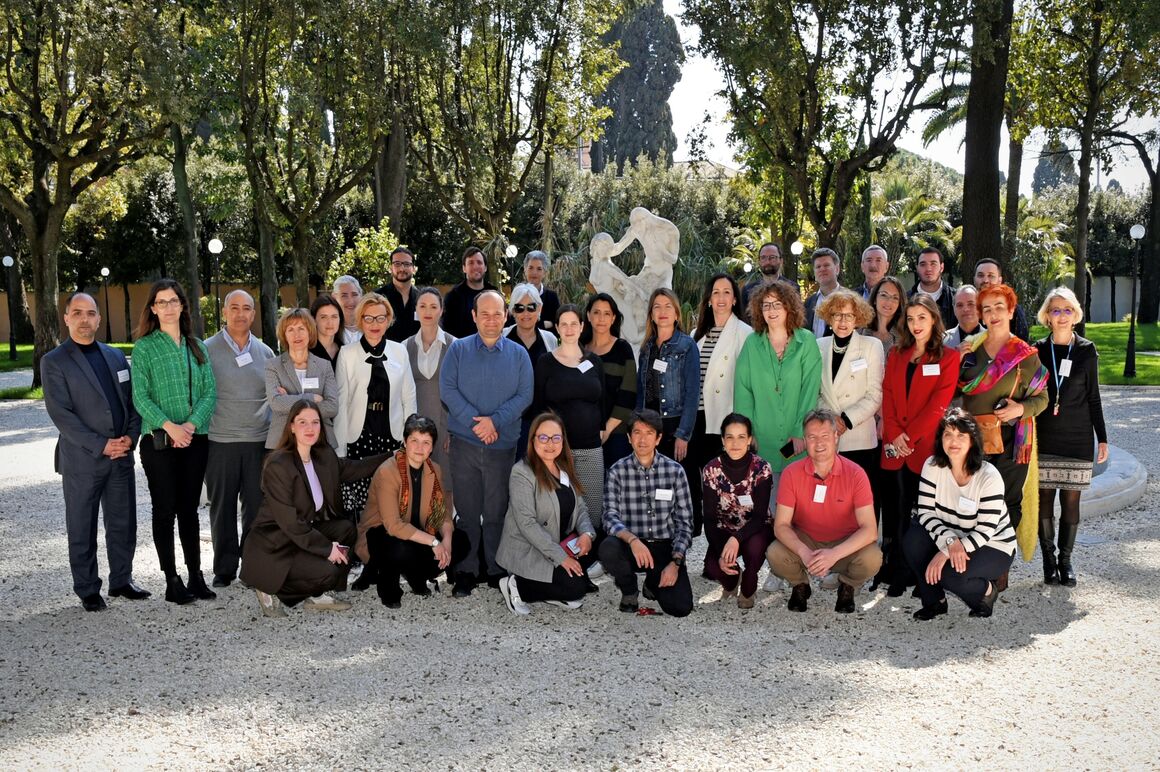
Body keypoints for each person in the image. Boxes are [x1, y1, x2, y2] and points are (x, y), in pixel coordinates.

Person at [42, 293, 146, 611]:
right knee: (82, 524)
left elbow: (132, 403)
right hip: (83, 460)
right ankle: (87, 588)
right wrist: (101, 444)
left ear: (99, 319)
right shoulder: (54, 361)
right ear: (67, 317)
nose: (85, 319)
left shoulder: (115, 356)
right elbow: (62, 415)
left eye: (91, 313)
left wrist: (129, 438)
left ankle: (121, 580)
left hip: (121, 456)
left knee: (123, 522)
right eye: (78, 313)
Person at [240, 400, 391, 617]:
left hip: (302, 534)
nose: (310, 428)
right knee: (329, 570)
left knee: (347, 529)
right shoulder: (278, 465)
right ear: (291, 426)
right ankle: (268, 585)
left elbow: (353, 469)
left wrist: (391, 456)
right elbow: (290, 524)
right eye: (302, 422)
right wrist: (328, 549)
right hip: (275, 543)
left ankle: (317, 594)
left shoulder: (322, 455)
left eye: (315, 422)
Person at [440, 289, 534, 596]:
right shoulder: (458, 350)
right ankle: (467, 569)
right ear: (474, 317)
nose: (491, 320)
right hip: (465, 443)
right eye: (485, 314)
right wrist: (477, 423)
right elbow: (448, 391)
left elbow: (525, 395)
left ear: (505, 316)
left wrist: (495, 421)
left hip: (502, 445)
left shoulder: (519, 354)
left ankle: (495, 568)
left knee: (495, 511)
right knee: (467, 511)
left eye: (497, 314)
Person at [131, 279, 217, 605]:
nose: (168, 307)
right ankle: (171, 579)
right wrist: (171, 427)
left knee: (189, 510)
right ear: (153, 308)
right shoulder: (144, 348)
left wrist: (191, 425)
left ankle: (195, 575)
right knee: (165, 510)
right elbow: (140, 397)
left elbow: (210, 392)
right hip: (160, 443)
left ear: (183, 305)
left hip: (195, 439)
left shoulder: (197, 346)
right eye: (161, 302)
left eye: (173, 301)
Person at [958, 283, 1048, 589]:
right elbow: (956, 391)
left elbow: (1044, 398)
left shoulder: (1025, 355)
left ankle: (1000, 563)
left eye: (999, 307)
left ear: (1011, 311)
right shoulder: (970, 351)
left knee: (1008, 501)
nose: (993, 314)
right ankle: (975, 556)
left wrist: (1019, 410)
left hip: (1012, 440)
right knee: (976, 500)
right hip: (974, 439)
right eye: (987, 309)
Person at [880, 294, 960, 596]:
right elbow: (887, 395)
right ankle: (897, 573)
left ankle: (922, 574)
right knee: (896, 514)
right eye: (911, 319)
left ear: (934, 320)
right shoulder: (896, 355)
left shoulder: (948, 358)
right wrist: (895, 435)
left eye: (921, 318)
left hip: (923, 449)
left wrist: (909, 438)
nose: (915, 325)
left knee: (924, 515)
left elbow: (938, 407)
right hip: (894, 448)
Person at [904, 408, 1016, 619]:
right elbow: (926, 513)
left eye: (961, 435)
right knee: (913, 541)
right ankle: (934, 601)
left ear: (972, 440)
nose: (953, 441)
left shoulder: (989, 477)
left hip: (993, 544)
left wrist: (946, 551)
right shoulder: (932, 466)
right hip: (951, 536)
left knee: (952, 575)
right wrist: (950, 542)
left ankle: (987, 593)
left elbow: (986, 531)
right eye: (948, 434)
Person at [766, 409, 882, 613]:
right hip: (806, 540)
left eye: (825, 436)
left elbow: (870, 530)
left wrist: (833, 554)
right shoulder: (791, 473)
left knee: (873, 558)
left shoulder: (856, 474)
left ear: (836, 437)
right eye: (812, 437)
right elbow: (781, 526)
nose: (818, 443)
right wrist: (804, 552)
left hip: (846, 542)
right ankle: (800, 585)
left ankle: (848, 585)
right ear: (805, 440)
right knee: (775, 553)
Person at [1033, 287, 1108, 587]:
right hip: (1045, 437)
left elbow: (1095, 398)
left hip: (1077, 438)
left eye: (1067, 310)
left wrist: (1102, 438)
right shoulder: (1037, 349)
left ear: (1075, 315)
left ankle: (1066, 561)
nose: (1061, 315)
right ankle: (1048, 561)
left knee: (1071, 503)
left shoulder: (1087, 351)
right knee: (1044, 502)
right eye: (1055, 310)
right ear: (1047, 317)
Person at [357, 414, 468, 608]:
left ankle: (417, 575)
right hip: (381, 535)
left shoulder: (435, 470)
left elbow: (441, 514)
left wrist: (446, 543)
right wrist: (434, 542)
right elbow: (393, 525)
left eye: (426, 442)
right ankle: (388, 586)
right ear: (404, 442)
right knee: (400, 547)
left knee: (462, 541)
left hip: (417, 531)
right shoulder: (387, 471)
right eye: (414, 441)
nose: (419, 448)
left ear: (432, 447)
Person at [204, 289, 275, 589]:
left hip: (257, 440)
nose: (241, 314)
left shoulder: (266, 352)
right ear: (224, 312)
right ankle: (224, 568)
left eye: (247, 308)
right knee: (222, 506)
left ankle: (252, 565)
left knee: (256, 506)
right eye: (234, 307)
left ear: (254, 314)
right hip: (221, 440)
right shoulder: (206, 350)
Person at [497, 413, 597, 614]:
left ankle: (553, 589)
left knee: (597, 548)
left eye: (556, 438)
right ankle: (515, 585)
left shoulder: (564, 468)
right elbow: (527, 524)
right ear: (532, 439)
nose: (550, 444)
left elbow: (581, 509)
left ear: (563, 440)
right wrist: (561, 558)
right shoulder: (522, 472)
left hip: (557, 543)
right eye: (543, 437)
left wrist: (586, 534)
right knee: (576, 587)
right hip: (530, 549)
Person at [598, 409, 694, 617]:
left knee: (680, 608)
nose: (642, 439)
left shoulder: (675, 471)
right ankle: (629, 589)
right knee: (607, 548)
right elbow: (609, 516)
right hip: (632, 544)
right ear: (629, 438)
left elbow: (685, 523)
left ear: (658, 438)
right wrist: (632, 540)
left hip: (663, 546)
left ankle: (653, 582)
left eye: (649, 433)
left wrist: (675, 562)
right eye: (637, 432)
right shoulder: (617, 471)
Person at [334, 293, 417, 523]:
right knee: (361, 505)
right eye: (368, 319)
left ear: (388, 319)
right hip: (359, 438)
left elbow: (409, 398)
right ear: (360, 320)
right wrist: (341, 449)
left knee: (391, 500)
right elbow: (341, 403)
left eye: (380, 318)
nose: (374, 324)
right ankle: (363, 553)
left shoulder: (399, 351)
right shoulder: (347, 354)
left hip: (391, 437)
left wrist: (409, 439)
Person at [530, 305, 605, 549]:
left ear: (583, 327)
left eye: (575, 323)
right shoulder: (546, 363)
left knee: (592, 507)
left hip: (591, 447)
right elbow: (539, 406)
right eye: (564, 324)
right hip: (557, 451)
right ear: (557, 328)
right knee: (559, 508)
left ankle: (588, 560)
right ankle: (561, 561)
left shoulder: (594, 361)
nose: (570, 328)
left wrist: (602, 428)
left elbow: (602, 400)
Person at [735, 280, 822, 484]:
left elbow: (810, 391)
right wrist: (747, 433)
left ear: (788, 307)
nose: (771, 310)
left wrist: (800, 431)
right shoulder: (751, 343)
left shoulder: (806, 341)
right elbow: (743, 390)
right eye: (766, 305)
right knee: (768, 502)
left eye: (777, 304)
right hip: (762, 438)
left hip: (797, 439)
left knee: (797, 500)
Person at [636, 287, 702, 532]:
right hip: (651, 427)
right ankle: (659, 528)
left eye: (667, 307)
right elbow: (642, 390)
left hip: (675, 424)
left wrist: (683, 434)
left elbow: (692, 393)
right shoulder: (647, 348)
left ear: (676, 313)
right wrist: (637, 427)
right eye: (657, 307)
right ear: (651, 314)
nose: (662, 312)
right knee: (655, 481)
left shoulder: (686, 346)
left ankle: (686, 531)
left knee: (681, 482)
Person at [701, 414, 774, 609]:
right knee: (714, 566)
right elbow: (709, 518)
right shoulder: (711, 469)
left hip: (756, 528)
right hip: (724, 528)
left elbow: (759, 517)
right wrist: (720, 552)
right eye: (730, 437)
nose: (735, 443)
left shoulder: (762, 468)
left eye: (741, 437)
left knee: (755, 548)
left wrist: (736, 539)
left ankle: (750, 582)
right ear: (723, 440)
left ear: (750, 440)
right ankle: (733, 581)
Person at [691, 273, 754, 487]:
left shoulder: (746, 334)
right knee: (702, 479)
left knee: (725, 482)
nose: (721, 298)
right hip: (698, 417)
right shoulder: (696, 334)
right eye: (716, 292)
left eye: (727, 292)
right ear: (708, 299)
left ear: (735, 299)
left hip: (726, 417)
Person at [816, 289, 884, 474]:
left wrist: (846, 420)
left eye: (849, 315)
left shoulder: (872, 345)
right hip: (828, 435)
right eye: (837, 315)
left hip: (859, 438)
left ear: (858, 318)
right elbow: (815, 392)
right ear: (829, 318)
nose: (843, 321)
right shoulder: (818, 346)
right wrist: (832, 419)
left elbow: (875, 394)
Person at [404, 287, 457, 501]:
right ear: (416, 310)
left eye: (433, 306)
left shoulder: (456, 346)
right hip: (415, 431)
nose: (428, 311)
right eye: (422, 306)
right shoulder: (404, 347)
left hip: (445, 430)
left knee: (445, 486)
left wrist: (454, 431)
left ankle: (446, 533)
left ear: (441, 310)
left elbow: (461, 392)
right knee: (415, 486)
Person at [265, 308, 339, 449]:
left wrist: (290, 401)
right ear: (284, 335)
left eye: (301, 328)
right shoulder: (273, 365)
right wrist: (312, 398)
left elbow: (332, 407)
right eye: (290, 330)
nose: (296, 334)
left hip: (319, 441)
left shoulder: (324, 365)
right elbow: (276, 404)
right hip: (283, 441)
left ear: (310, 332)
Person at [581, 293, 637, 469]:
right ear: (588, 316)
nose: (601, 318)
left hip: (616, 433)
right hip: (583, 431)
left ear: (613, 318)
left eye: (607, 313)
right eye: (596, 312)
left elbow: (628, 394)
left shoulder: (622, 349)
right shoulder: (579, 348)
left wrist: (606, 430)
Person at [442, 247, 498, 339]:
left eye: (479, 262)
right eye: (471, 263)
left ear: (485, 268)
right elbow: (448, 331)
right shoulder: (453, 297)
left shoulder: (495, 295)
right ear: (464, 268)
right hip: (462, 350)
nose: (475, 266)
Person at [973, 259, 1030, 341]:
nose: (985, 280)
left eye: (991, 276)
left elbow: (1021, 343)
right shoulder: (965, 308)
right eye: (980, 275)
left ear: (1000, 280)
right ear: (974, 279)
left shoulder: (1012, 309)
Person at [375, 247, 420, 343]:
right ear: (391, 267)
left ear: (413, 269)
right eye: (397, 264)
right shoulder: (377, 297)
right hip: (386, 355)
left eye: (407, 264)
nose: (402, 268)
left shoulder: (422, 299)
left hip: (415, 355)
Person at [741, 242, 797, 313]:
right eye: (763, 258)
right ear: (759, 261)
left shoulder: (793, 288)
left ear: (781, 261)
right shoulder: (748, 290)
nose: (767, 261)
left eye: (772, 257)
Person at [908, 247, 956, 328]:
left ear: (942, 267)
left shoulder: (955, 298)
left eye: (933, 263)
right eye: (923, 264)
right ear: (917, 268)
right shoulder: (905, 299)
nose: (928, 269)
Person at [862, 276, 905, 358]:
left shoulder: (905, 336)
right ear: (875, 298)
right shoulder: (859, 331)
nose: (889, 301)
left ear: (900, 303)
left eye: (895, 298)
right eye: (884, 295)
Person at [804, 247, 842, 337]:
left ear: (837, 269)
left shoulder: (849, 299)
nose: (822, 269)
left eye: (826, 265)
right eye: (818, 267)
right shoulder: (808, 303)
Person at [522, 250, 560, 331]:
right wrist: (543, 324)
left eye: (539, 269)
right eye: (530, 268)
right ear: (525, 270)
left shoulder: (552, 297)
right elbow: (514, 323)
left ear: (545, 273)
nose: (534, 272)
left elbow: (557, 325)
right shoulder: (519, 295)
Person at [309, 294, 344, 372]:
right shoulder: (306, 351)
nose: (330, 322)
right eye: (323, 317)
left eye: (334, 317)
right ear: (314, 320)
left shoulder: (344, 350)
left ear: (340, 319)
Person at [332, 275, 364, 344]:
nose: (350, 301)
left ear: (361, 295)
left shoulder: (371, 327)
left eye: (354, 294)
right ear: (334, 298)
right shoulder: (330, 331)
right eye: (344, 296)